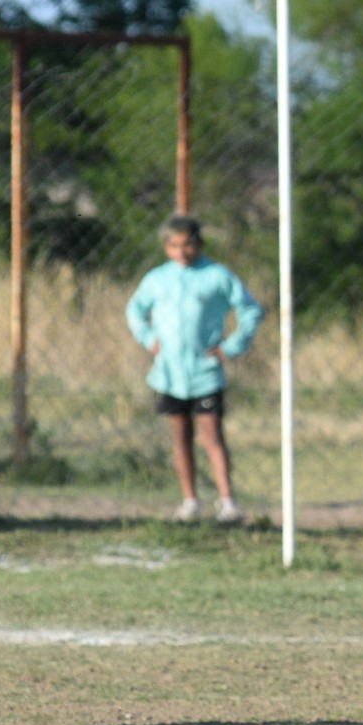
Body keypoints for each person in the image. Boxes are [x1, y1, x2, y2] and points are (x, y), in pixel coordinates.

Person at [125, 215, 263, 524]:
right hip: (170, 373)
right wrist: (148, 338)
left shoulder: (216, 275)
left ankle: (227, 501)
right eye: (175, 246)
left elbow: (250, 309)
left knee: (212, 434)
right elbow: (135, 309)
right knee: (180, 435)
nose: (182, 252)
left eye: (188, 244)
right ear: (166, 248)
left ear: (199, 244)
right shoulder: (158, 279)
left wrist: (231, 346)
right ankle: (190, 501)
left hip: (205, 371)